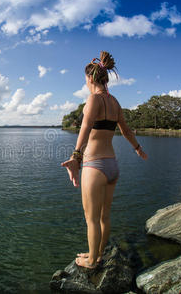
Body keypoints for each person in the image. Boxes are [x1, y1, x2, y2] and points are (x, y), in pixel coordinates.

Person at [61, 51, 148, 269]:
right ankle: (97, 253)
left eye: (85, 79)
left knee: (91, 219)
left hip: (95, 166)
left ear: (90, 78)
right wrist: (137, 148)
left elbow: (84, 128)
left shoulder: (93, 100)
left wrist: (75, 157)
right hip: (112, 165)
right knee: (104, 217)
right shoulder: (115, 102)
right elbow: (126, 131)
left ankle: (91, 262)